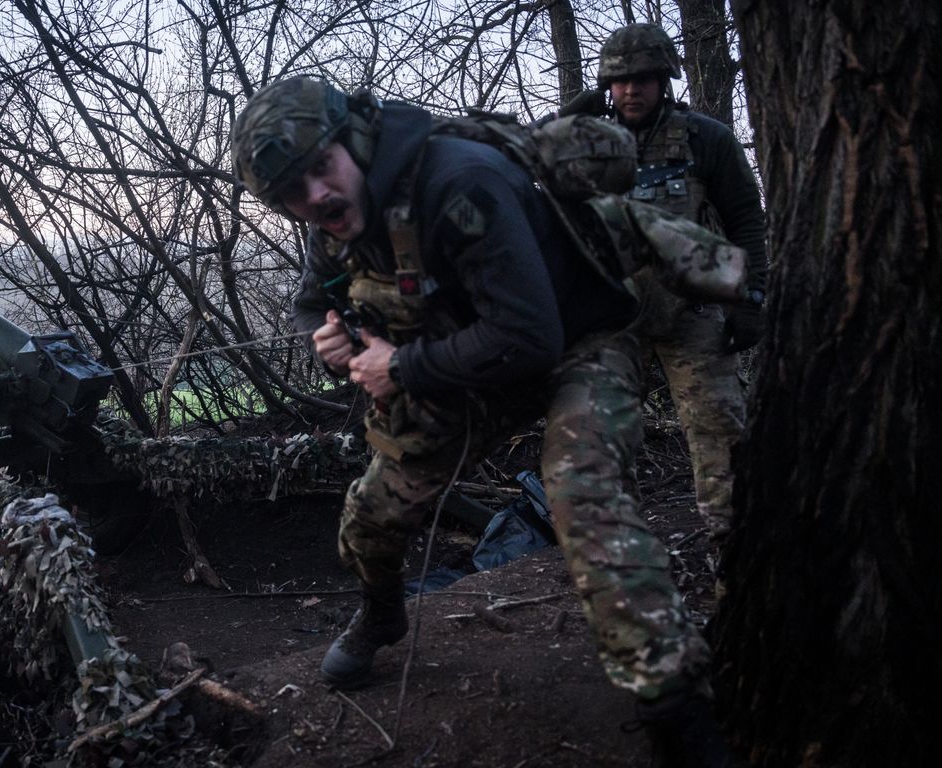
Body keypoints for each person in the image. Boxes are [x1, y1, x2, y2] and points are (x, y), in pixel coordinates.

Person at [232, 77, 735, 765]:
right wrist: (334, 339)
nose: (316, 195)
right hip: (461, 367)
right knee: (370, 517)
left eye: (321, 167)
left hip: (575, 347)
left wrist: (402, 369)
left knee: (582, 496)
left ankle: (675, 704)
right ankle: (382, 614)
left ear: (353, 139)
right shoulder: (336, 221)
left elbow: (532, 338)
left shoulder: (460, 181)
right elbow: (306, 302)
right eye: (294, 191)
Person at [595, 23, 768, 546]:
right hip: (612, 320)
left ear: (663, 80)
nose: (631, 90)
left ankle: (736, 576)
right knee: (598, 450)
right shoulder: (585, 143)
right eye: (620, 80)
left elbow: (746, 219)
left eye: (643, 78)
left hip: (692, 313)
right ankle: (622, 579)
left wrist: (751, 297)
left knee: (722, 446)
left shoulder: (703, 138)